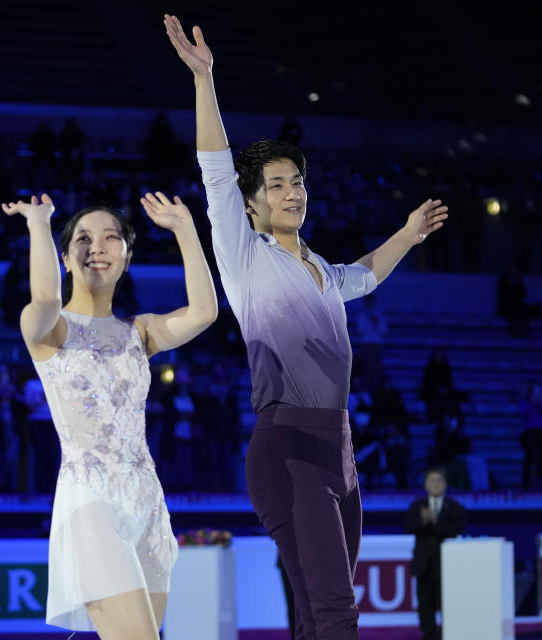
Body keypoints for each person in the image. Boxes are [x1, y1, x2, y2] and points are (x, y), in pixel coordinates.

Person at [163, 13, 449, 639]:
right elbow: (215, 168)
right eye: (276, 184)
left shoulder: (321, 269)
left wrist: (407, 232)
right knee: (334, 610)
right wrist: (204, 79)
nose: (292, 192)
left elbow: (366, 276)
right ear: (252, 203)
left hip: (339, 453)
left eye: (297, 181)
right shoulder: (244, 259)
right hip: (287, 446)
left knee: (318, 616)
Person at [3, 169, 217, 634]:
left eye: (109, 237)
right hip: (90, 506)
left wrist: (185, 230)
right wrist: (39, 223)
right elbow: (42, 297)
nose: (95, 246)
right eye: (82, 238)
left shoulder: (138, 332)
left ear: (127, 256)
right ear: (64, 257)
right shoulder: (50, 330)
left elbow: (204, 312)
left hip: (149, 509)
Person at [404, 466, 466, 640]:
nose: (435, 484)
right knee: (425, 606)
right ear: (425, 485)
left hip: (448, 567)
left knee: (449, 606)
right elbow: (408, 526)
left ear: (446, 484)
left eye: (439, 480)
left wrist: (436, 522)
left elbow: (457, 529)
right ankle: (429, 635)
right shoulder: (417, 506)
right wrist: (423, 521)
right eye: (431, 480)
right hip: (424, 566)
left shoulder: (455, 508)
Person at [520, 381, 542, 489]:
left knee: (540, 456)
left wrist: (539, 403)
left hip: (540, 431)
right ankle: (526, 483)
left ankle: (539, 478)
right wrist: (533, 403)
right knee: (529, 457)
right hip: (530, 432)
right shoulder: (526, 403)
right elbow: (524, 414)